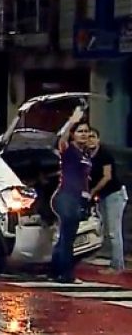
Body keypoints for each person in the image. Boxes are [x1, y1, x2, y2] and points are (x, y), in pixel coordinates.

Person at [50, 108, 92, 283]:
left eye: (86, 132)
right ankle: (65, 274)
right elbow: (62, 138)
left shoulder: (85, 154)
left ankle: (56, 270)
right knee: (67, 237)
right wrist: (72, 120)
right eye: (80, 131)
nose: (84, 135)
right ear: (74, 134)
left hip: (77, 198)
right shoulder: (68, 150)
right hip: (64, 196)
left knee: (67, 236)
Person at [89, 127, 128, 274]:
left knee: (113, 230)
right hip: (103, 195)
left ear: (98, 139)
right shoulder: (87, 155)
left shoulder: (104, 154)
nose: (90, 139)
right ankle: (107, 257)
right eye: (88, 136)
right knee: (104, 228)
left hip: (114, 194)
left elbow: (107, 176)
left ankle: (117, 265)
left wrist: (92, 191)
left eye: (93, 136)